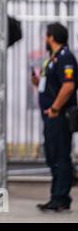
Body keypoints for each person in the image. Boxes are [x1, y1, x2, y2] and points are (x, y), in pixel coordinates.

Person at [31, 22, 77, 212]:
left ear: (52, 37)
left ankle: (61, 198)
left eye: (46, 36)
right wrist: (37, 81)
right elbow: (49, 86)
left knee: (60, 156)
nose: (45, 39)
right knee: (53, 156)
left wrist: (55, 108)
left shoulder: (65, 57)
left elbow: (68, 86)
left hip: (59, 116)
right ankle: (56, 196)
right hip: (51, 116)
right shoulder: (52, 58)